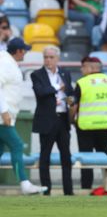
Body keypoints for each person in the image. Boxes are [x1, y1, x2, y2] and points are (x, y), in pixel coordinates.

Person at [0, 38, 47, 195]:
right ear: (18, 51)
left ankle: (25, 184)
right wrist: (4, 111)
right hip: (2, 116)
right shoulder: (5, 62)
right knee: (17, 145)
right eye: (24, 50)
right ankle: (25, 184)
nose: (25, 53)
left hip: (6, 115)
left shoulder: (8, 61)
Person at [70, 56, 107, 192]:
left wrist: (72, 119)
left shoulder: (82, 83)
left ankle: (86, 188)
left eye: (83, 67)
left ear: (90, 68)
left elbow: (73, 105)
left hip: (85, 126)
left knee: (86, 159)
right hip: (105, 125)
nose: (81, 69)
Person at [31, 45, 74, 196]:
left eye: (51, 57)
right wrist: (57, 87)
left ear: (58, 59)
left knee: (66, 157)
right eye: (45, 57)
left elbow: (70, 91)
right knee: (45, 156)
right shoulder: (37, 74)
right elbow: (41, 92)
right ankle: (46, 190)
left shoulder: (65, 73)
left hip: (62, 119)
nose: (48, 60)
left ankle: (68, 191)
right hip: (47, 120)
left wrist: (70, 99)